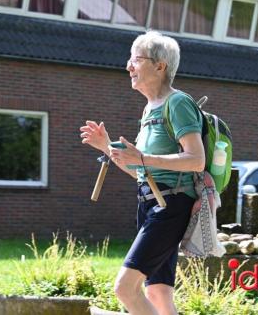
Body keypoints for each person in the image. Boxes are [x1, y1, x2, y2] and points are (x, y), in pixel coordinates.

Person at [80, 31, 205, 315]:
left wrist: (143, 157)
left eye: (136, 59)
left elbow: (196, 159)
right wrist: (106, 145)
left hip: (170, 206)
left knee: (125, 288)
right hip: (150, 203)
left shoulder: (178, 103)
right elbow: (141, 171)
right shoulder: (150, 108)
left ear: (160, 66)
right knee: (158, 293)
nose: (128, 66)